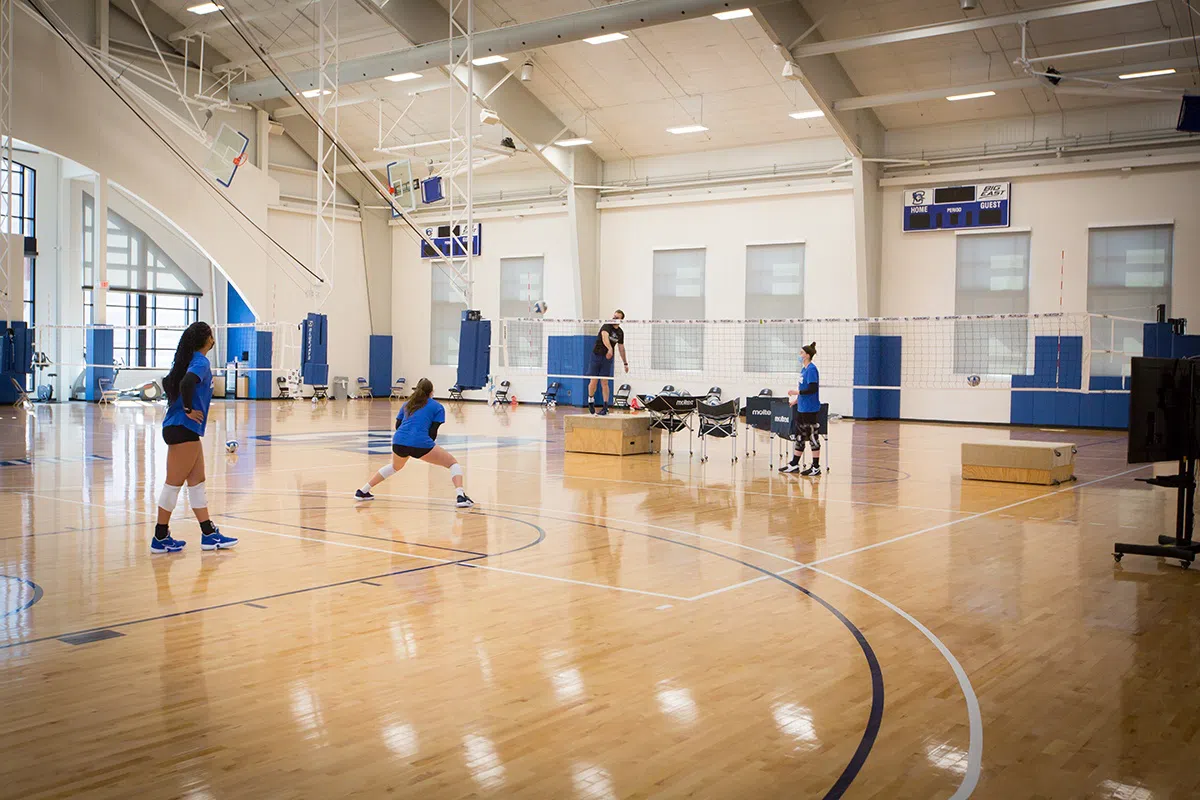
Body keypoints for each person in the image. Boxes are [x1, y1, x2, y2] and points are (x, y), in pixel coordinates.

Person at [154, 322, 238, 553]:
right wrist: (189, 409)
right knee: (173, 485)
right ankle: (160, 537)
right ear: (207, 339)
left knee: (197, 482)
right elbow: (186, 383)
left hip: (181, 428)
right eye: (211, 335)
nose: (214, 339)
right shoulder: (200, 362)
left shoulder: (189, 359)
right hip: (183, 427)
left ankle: (208, 534)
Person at [356, 378, 474, 508]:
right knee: (452, 463)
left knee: (395, 467)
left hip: (399, 441)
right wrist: (423, 448)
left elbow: (398, 425)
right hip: (420, 443)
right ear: (431, 391)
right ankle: (460, 496)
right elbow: (432, 433)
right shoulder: (437, 407)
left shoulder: (407, 404)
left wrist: (409, 442)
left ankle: (363, 490)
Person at [780, 342, 821, 476]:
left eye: (801, 353)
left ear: (807, 355)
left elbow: (812, 389)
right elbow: (805, 389)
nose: (799, 355)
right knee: (799, 436)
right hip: (802, 408)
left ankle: (816, 467)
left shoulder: (811, 370)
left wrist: (796, 393)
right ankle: (794, 464)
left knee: (812, 437)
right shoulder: (803, 370)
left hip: (810, 409)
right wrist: (797, 401)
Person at [587, 309, 629, 415]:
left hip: (607, 359)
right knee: (594, 381)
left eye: (617, 318)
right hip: (597, 355)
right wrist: (610, 348)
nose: (614, 319)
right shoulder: (607, 326)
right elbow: (604, 337)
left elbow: (621, 348)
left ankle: (605, 407)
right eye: (614, 316)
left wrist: (625, 363)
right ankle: (591, 399)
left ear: (621, 320)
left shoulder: (620, 333)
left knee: (605, 382)